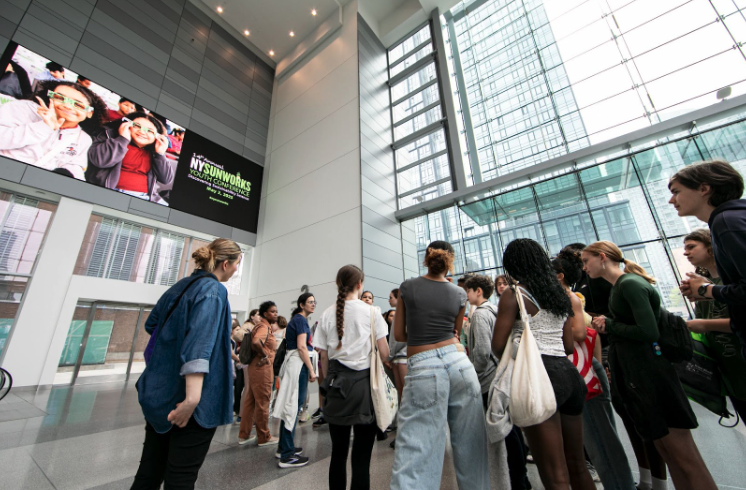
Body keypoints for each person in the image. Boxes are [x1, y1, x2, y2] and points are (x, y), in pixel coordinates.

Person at [583, 241, 718, 490]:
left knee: (684, 456)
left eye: (586, 261)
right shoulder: (621, 286)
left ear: (602, 257)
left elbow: (648, 331)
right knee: (668, 451)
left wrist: (610, 325)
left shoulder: (629, 284)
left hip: (653, 375)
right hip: (642, 374)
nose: (584, 267)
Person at [131, 238, 241, 490]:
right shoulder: (214, 291)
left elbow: (152, 326)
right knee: (181, 478)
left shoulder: (179, 287)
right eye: (236, 265)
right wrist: (191, 400)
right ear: (225, 263)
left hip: (160, 394)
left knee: (148, 474)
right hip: (191, 404)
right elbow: (199, 346)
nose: (236, 270)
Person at [492, 239, 593, 490]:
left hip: (538, 377)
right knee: (577, 465)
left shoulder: (513, 294)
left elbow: (497, 346)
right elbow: (569, 346)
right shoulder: (561, 294)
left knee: (554, 474)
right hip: (569, 376)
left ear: (512, 265)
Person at [389, 240, 489, 489]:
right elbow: (455, 332)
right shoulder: (459, 293)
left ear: (426, 258)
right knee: (472, 449)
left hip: (424, 368)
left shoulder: (407, 287)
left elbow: (399, 334)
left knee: (417, 452)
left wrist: (422, 334)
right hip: (460, 365)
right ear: (450, 261)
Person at [551, 250, 637, 490]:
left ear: (558, 276)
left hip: (582, 369)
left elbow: (580, 333)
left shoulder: (568, 298)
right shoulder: (567, 298)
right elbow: (590, 335)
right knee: (598, 439)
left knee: (601, 440)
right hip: (585, 367)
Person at [314, 265, 390, 490]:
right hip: (364, 388)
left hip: (336, 387)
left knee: (338, 453)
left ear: (339, 285)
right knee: (361, 458)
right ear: (359, 285)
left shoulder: (327, 314)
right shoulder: (372, 312)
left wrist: (329, 384)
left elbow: (324, 358)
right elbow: (385, 354)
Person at [669, 160, 746, 355]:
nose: (671, 200)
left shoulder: (726, 222)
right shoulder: (731, 219)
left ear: (703, 189)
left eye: (676, 192)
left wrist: (706, 289)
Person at [682, 229, 746, 419]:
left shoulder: (730, 281)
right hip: (730, 370)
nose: (686, 253)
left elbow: (740, 322)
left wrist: (704, 324)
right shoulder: (704, 284)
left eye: (692, 247)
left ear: (710, 248)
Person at [0, 81, 106, 179]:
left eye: (78, 104)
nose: (67, 106)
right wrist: (44, 127)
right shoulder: (24, 109)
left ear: (89, 113)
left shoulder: (83, 138)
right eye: (60, 98)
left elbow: (74, 167)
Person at [86, 111, 174, 202]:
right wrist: (122, 139)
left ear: (157, 136)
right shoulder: (111, 137)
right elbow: (100, 161)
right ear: (126, 125)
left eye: (150, 131)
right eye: (137, 126)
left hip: (146, 197)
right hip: (112, 192)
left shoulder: (154, 152)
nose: (142, 131)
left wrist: (160, 154)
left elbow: (166, 179)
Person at [272, 292, 318, 468]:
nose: (313, 304)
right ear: (301, 304)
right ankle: (287, 455)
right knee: (292, 406)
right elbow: (301, 347)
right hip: (297, 366)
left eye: (314, 302)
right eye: (310, 302)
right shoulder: (300, 321)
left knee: (291, 405)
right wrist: (312, 370)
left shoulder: (299, 320)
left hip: (294, 365)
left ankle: (284, 446)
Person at [238, 301, 278, 447]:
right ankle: (264, 436)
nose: (276, 314)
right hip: (262, 368)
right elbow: (256, 341)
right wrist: (265, 355)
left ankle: (244, 434)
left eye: (276, 311)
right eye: (273, 311)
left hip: (254, 367)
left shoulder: (261, 326)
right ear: (265, 313)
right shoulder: (264, 327)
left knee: (251, 401)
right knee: (263, 402)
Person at [231, 320, 245, 422]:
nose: (238, 331)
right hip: (232, 364)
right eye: (236, 329)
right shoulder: (230, 340)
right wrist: (238, 359)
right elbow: (231, 353)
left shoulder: (235, 341)